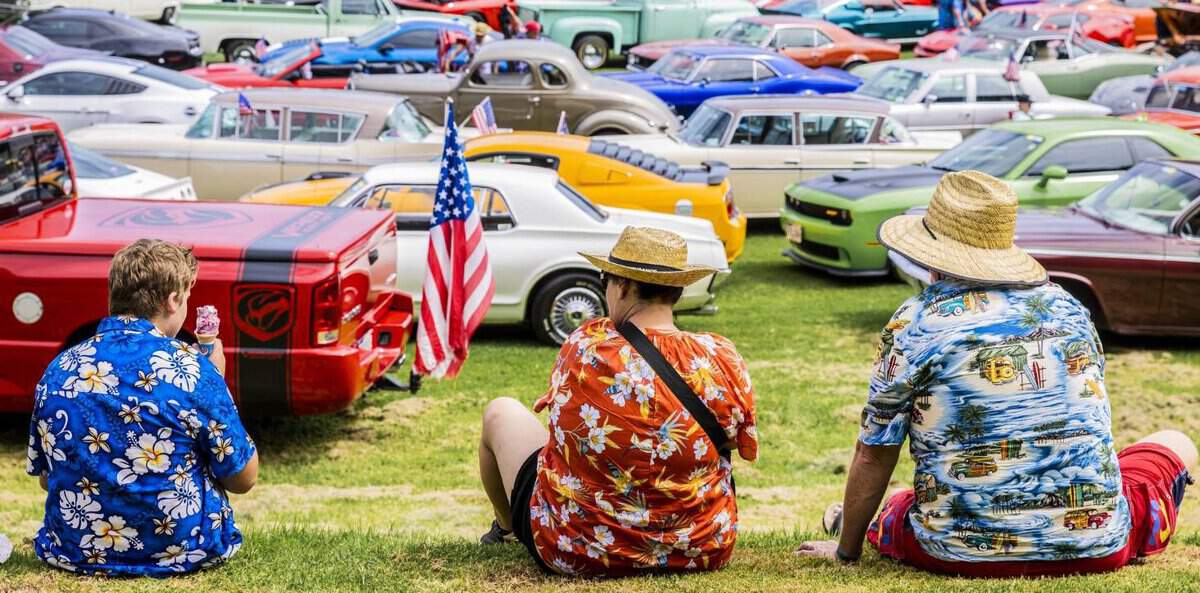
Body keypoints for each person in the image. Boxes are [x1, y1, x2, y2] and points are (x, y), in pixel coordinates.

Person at [796, 171, 1197, 577]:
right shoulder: (1068, 307)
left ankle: (858, 522)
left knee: (902, 505)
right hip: (1098, 547)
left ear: (929, 257)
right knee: (1175, 442)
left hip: (952, 551)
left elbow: (875, 450)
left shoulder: (915, 323)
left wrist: (845, 553)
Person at [477, 226, 757, 576]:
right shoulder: (721, 357)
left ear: (622, 286)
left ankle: (505, 530)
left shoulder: (586, 347)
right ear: (678, 290)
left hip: (579, 547)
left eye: (605, 277)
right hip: (701, 547)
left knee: (500, 411)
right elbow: (737, 440)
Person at [25, 239, 259, 576]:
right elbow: (243, 477)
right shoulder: (191, 370)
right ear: (173, 299)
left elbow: (48, 479)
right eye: (186, 299)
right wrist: (216, 382)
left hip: (75, 550)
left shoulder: (60, 367)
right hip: (182, 549)